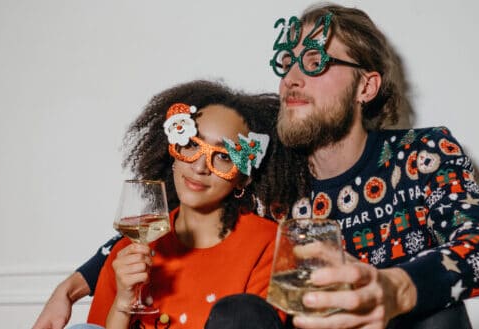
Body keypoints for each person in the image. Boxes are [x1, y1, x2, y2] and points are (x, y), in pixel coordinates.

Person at [33, 3, 479, 329]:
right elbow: (163, 222)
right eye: (288, 61)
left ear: (367, 87)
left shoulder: (422, 155)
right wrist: (71, 287)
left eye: (317, 62)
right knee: (240, 313)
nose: (292, 76)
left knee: (438, 314)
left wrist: (398, 288)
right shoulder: (271, 174)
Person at [66, 80, 304, 329]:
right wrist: (124, 302)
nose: (199, 167)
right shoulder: (129, 249)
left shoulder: (270, 245)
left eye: (223, 156)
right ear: (172, 151)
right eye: (191, 145)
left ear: (242, 178)